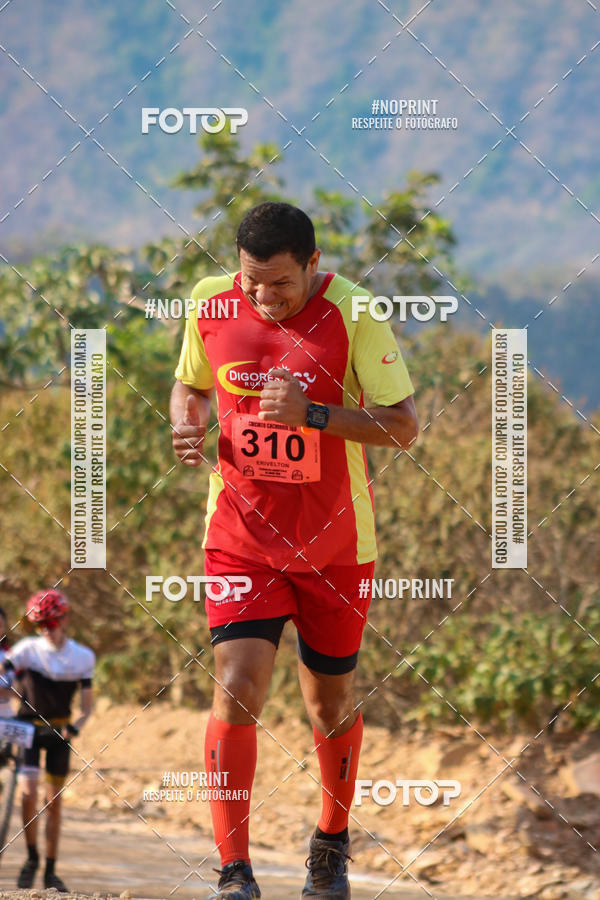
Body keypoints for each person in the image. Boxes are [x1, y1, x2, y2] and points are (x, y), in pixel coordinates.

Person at [170, 201, 418, 899]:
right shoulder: (209, 304)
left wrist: (310, 414)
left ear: (314, 264)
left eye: (280, 283)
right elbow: (190, 386)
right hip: (241, 539)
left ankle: (331, 843)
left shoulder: (356, 313)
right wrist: (185, 425)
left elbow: (403, 427)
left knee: (328, 704)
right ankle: (233, 869)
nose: (263, 297)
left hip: (337, 545)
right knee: (236, 688)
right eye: (252, 281)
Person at [0, 589, 95, 892]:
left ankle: (51, 871)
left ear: (65, 618)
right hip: (28, 728)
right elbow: (5, 675)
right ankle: (31, 859)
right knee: (28, 795)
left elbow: (87, 708)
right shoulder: (27, 649)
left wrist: (74, 729)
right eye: (41, 626)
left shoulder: (83, 657)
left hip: (59, 732)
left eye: (53, 623)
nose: (48, 631)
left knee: (53, 803)